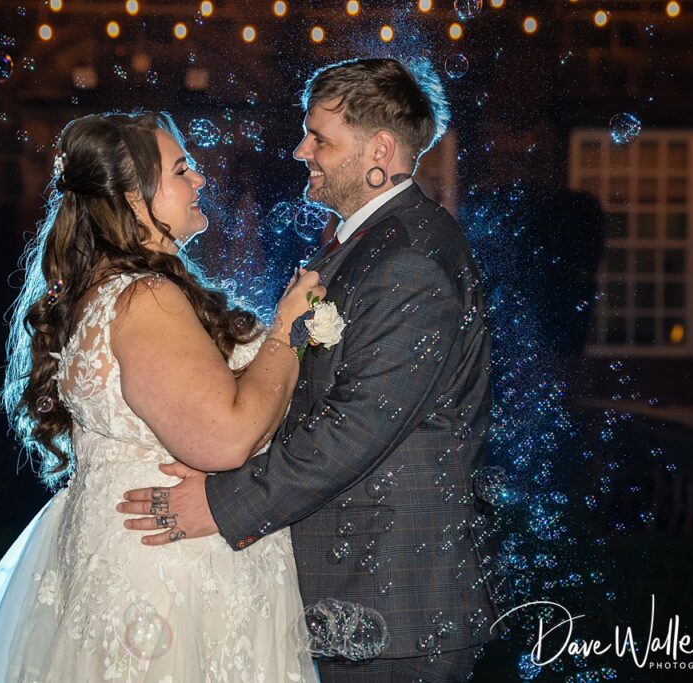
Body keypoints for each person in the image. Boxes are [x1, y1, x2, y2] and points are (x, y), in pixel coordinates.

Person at [118, 58, 499, 682]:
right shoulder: (371, 244)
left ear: (380, 149)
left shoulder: (411, 262)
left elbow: (356, 429)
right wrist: (233, 449)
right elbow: (320, 398)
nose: (301, 151)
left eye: (320, 138)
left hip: (391, 601)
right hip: (359, 595)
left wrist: (220, 502)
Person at [0, 111, 322, 681]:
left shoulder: (111, 290)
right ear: (136, 201)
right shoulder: (144, 299)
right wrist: (288, 329)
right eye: (182, 169)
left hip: (138, 555)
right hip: (169, 574)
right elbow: (228, 438)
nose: (201, 181)